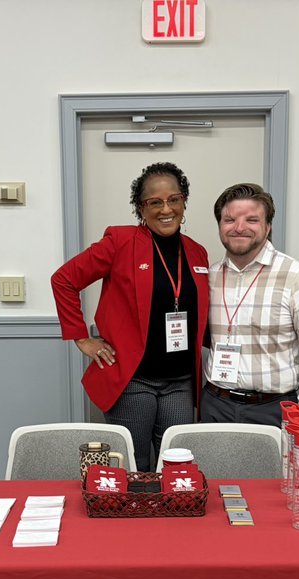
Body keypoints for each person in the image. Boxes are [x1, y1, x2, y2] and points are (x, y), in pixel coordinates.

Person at [52, 162, 210, 471]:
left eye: (174, 199)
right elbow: (64, 280)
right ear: (141, 208)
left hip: (180, 382)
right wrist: (82, 338)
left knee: (175, 464)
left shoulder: (196, 252)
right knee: (134, 466)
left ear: (184, 202)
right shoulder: (120, 242)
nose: (166, 209)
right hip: (133, 380)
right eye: (155, 202)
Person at [202, 183, 299, 426]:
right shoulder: (209, 276)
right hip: (215, 404)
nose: (239, 227)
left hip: (273, 409)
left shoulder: (296, 276)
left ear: (268, 226)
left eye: (252, 220)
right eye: (229, 220)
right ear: (220, 225)